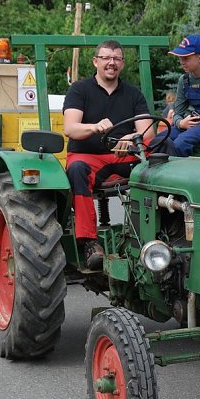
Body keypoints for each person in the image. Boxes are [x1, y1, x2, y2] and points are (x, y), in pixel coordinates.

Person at [63, 40, 157, 270]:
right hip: (89, 156)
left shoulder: (133, 94)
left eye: (116, 58)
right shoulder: (79, 90)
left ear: (122, 64)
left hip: (123, 156)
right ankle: (89, 242)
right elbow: (71, 128)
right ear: (96, 61)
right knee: (77, 170)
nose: (111, 63)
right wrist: (94, 127)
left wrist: (131, 138)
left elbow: (148, 131)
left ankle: (152, 236)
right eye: (106, 58)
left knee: (158, 164)